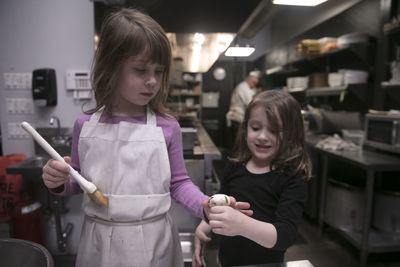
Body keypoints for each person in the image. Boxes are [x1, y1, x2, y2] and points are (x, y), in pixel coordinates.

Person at [40, 8, 244, 267]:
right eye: (140, 70)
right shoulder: (85, 125)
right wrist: (57, 182)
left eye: (158, 72)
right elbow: (78, 182)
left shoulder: (167, 126)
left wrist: (203, 205)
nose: (152, 81)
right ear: (111, 67)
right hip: (99, 242)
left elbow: (178, 183)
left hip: (155, 241)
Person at [193, 90, 312, 267]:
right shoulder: (235, 166)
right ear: (246, 127)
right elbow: (220, 202)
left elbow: (285, 235)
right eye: (256, 128)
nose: (263, 136)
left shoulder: (292, 176)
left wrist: (241, 225)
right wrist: (203, 226)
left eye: (274, 130)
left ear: (291, 133)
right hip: (226, 261)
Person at [226, 70, 261, 150]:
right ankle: (236, 161)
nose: (254, 86)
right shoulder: (243, 87)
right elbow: (250, 103)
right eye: (254, 83)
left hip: (239, 119)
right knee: (238, 145)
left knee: (239, 144)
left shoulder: (248, 88)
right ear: (250, 79)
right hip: (237, 119)